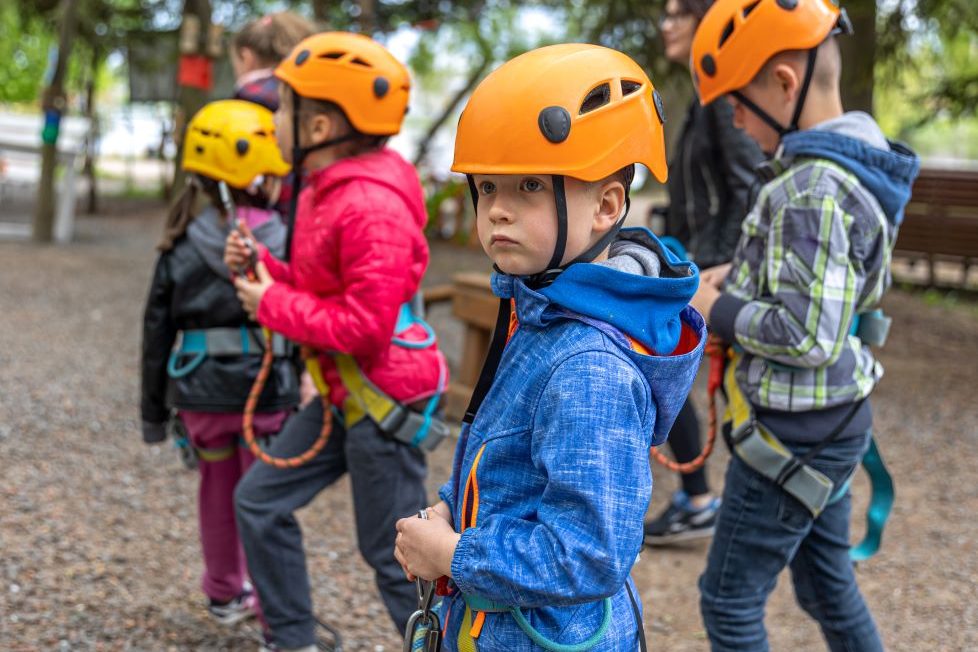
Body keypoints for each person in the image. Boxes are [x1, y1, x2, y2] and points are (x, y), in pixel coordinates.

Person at [393, 43, 706, 651]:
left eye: (530, 186)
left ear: (607, 206)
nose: (497, 212)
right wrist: (452, 514)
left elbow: (590, 555)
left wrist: (457, 554)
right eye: (486, 188)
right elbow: (515, 471)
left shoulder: (588, 368)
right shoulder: (540, 313)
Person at [687, 0, 920, 649]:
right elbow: (828, 277)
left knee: (728, 604)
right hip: (834, 420)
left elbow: (805, 334)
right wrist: (735, 275)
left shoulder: (810, 186)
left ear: (784, 84)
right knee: (826, 588)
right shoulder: (856, 157)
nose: (732, 118)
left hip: (793, 433)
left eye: (736, 101)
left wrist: (715, 309)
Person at [225, 32, 448, 652]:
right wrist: (268, 267)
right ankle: (292, 639)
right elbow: (326, 288)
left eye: (285, 106)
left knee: (392, 554)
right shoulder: (328, 191)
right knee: (259, 503)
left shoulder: (368, 205)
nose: (274, 119)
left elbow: (364, 326)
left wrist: (270, 302)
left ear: (319, 124)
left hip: (377, 401)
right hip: (345, 395)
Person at [140, 100, 299, 626]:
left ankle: (224, 591)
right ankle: (277, 608)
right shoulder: (283, 238)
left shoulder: (178, 240)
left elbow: (156, 331)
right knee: (263, 503)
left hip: (199, 396)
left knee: (216, 489)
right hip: (265, 395)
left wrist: (152, 414)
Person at [644, 0, 765, 546]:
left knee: (667, 371)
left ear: (705, 22)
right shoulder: (700, 95)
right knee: (668, 374)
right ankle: (700, 497)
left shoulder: (719, 99)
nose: (666, 24)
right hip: (695, 261)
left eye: (677, 14)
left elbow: (745, 185)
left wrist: (722, 270)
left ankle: (708, 500)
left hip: (714, 272)